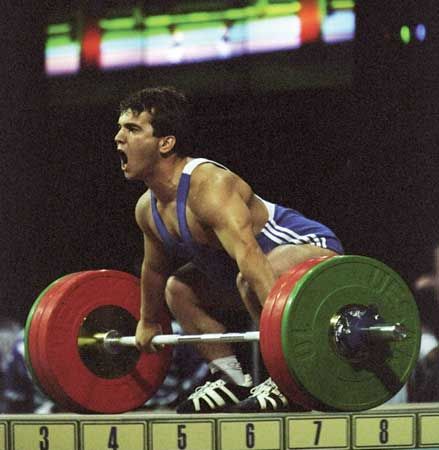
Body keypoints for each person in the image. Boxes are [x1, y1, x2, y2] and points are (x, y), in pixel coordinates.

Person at [114, 86, 344, 413]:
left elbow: (251, 255)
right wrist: (148, 321)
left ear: (166, 143)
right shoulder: (147, 210)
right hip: (252, 275)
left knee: (248, 278)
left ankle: (288, 381)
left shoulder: (208, 185)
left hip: (311, 253)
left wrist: (290, 353)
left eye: (133, 129)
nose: (119, 138)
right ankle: (231, 379)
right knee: (177, 289)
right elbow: (154, 269)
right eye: (120, 128)